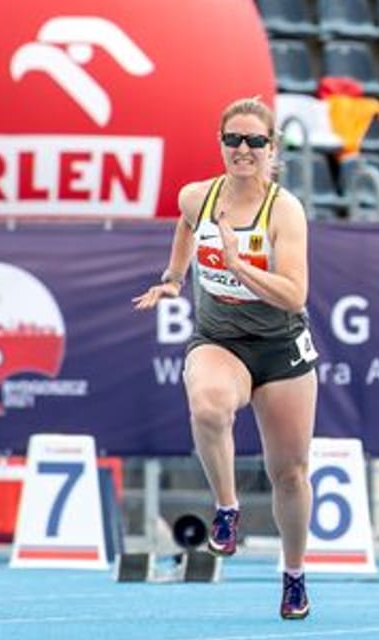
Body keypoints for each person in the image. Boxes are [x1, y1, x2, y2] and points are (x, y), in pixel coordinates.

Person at [132, 97, 319, 620]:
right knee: (209, 406)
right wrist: (173, 277)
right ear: (220, 144)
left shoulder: (283, 210)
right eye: (234, 139)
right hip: (221, 341)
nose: (244, 150)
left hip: (281, 348)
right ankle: (228, 508)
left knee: (291, 475)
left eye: (255, 141)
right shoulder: (197, 196)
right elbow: (186, 225)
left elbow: (295, 295)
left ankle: (294, 574)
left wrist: (237, 265)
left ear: (271, 148)